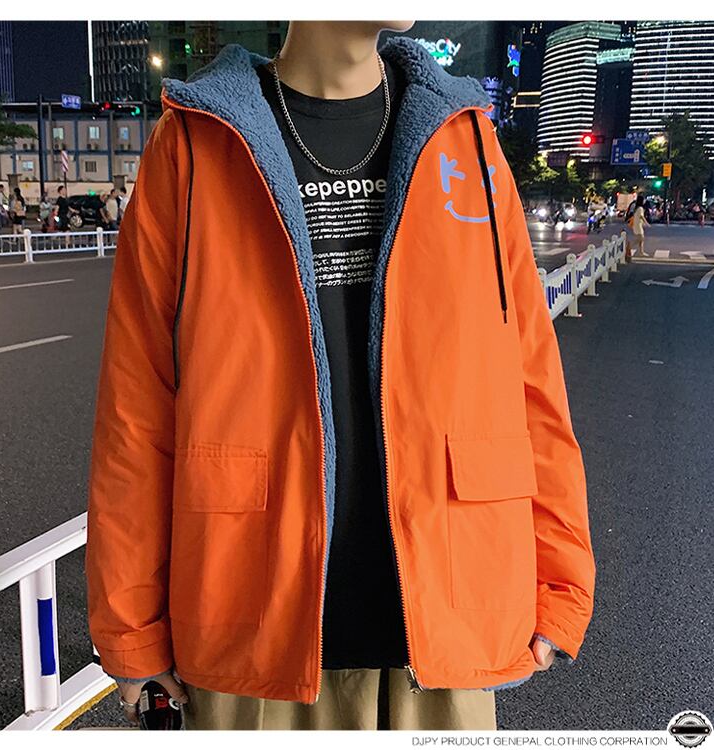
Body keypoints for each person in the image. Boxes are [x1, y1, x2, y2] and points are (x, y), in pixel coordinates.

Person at [86, 21, 595, 732]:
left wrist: (561, 581)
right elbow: (136, 408)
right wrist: (132, 629)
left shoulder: (467, 139)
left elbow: (530, 379)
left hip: (447, 621)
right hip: (251, 623)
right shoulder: (197, 144)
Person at [628, 195, 650, 260]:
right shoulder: (640, 208)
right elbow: (641, 216)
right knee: (641, 238)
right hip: (638, 226)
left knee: (641, 240)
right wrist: (646, 223)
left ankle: (641, 252)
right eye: (643, 200)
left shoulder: (637, 208)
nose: (644, 201)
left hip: (637, 225)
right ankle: (629, 247)